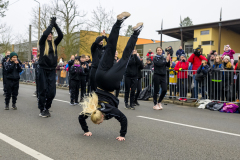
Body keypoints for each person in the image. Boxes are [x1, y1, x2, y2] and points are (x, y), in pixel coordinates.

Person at [78, 12, 143, 141]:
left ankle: (136, 32)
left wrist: (122, 135)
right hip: (99, 79)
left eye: (99, 122)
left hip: (109, 84)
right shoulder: (91, 109)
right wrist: (85, 130)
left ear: (102, 116)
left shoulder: (109, 111)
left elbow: (123, 119)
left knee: (125, 57)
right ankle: (118, 22)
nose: (101, 123)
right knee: (110, 48)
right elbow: (80, 118)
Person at [38, 17, 63, 118]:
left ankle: (47, 108)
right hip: (43, 70)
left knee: (52, 92)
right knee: (43, 90)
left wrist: (55, 25)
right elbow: (44, 34)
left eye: (51, 34)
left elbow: (61, 35)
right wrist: (50, 25)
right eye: (48, 34)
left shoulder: (55, 44)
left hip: (52, 70)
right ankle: (42, 109)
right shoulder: (42, 44)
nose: (49, 35)